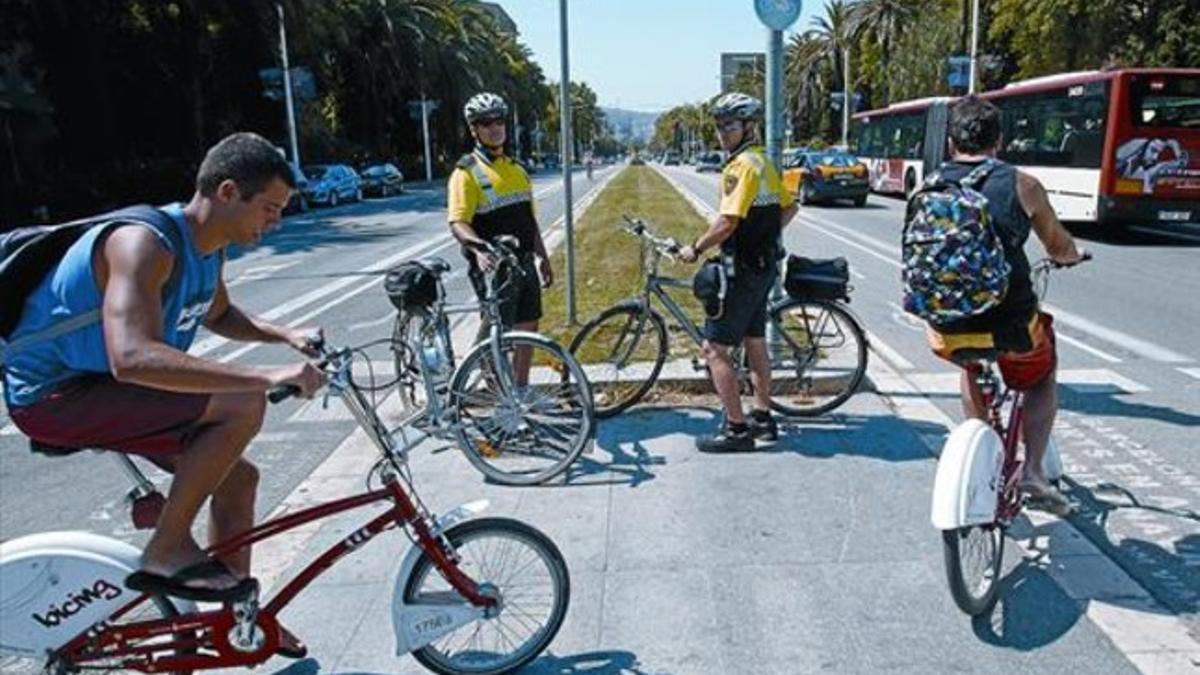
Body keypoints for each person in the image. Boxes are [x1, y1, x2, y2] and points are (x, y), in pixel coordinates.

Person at [3, 133, 325, 626]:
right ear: (228, 192)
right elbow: (131, 357)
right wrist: (266, 375)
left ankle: (234, 624)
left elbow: (216, 314)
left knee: (238, 480)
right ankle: (168, 546)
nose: (277, 221)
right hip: (54, 394)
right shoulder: (142, 243)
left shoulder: (207, 248)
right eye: (270, 207)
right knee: (242, 403)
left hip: (101, 388)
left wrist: (285, 334)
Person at [924, 96, 1085, 514]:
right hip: (1009, 321)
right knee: (1041, 377)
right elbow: (1057, 244)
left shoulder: (928, 185)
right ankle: (1032, 473)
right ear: (999, 140)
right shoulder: (1020, 183)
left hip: (945, 324)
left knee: (971, 363)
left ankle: (978, 440)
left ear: (950, 142)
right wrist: (1071, 255)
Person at [679, 93, 798, 453]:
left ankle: (736, 429)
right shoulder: (762, 161)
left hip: (743, 269)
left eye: (729, 125)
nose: (722, 133)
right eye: (718, 126)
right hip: (764, 266)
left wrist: (695, 248)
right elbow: (790, 207)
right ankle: (763, 418)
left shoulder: (741, 167)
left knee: (714, 349)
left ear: (748, 127)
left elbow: (727, 223)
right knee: (755, 342)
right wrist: (765, 237)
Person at [447, 92, 553, 384]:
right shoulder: (466, 173)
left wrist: (542, 256)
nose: (494, 127)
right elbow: (458, 223)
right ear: (474, 129)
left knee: (528, 327)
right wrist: (478, 249)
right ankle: (498, 396)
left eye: (498, 120)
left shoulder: (517, 170)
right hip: (494, 267)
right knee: (497, 335)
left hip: (524, 262)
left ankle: (519, 389)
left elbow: (528, 220)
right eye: (485, 122)